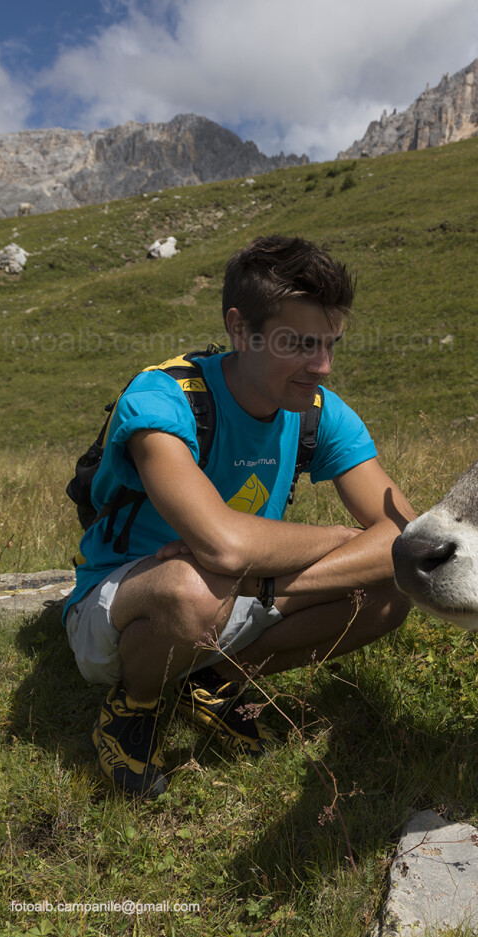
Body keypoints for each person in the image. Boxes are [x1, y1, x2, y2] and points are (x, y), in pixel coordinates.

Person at [63, 235, 414, 798]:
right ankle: (136, 704)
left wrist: (258, 581)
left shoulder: (318, 414)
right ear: (240, 329)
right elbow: (223, 547)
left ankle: (212, 679)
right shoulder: (164, 399)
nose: (321, 366)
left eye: (331, 345)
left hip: (236, 591)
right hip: (123, 605)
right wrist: (345, 539)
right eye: (299, 343)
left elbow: (403, 534)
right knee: (194, 587)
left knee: (394, 590)